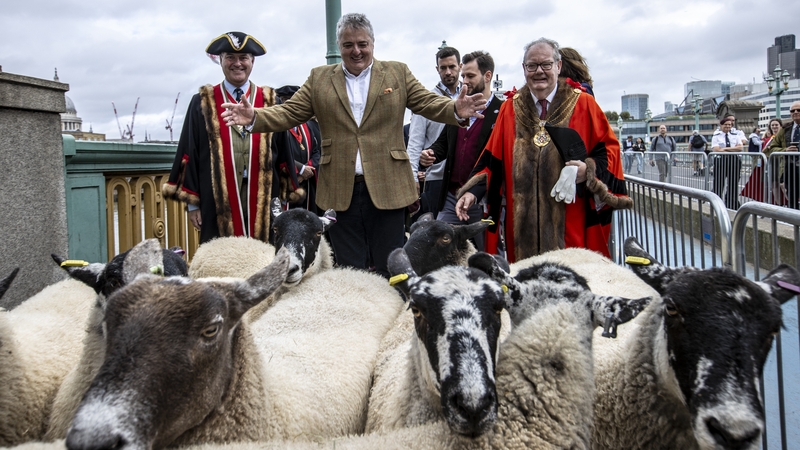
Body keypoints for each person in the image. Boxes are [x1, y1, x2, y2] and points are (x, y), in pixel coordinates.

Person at [220, 13, 486, 277]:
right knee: (349, 271)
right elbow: (289, 112)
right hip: (339, 190)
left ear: (372, 43)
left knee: (392, 268)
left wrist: (455, 109)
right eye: (348, 45)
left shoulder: (397, 72)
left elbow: (427, 102)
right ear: (339, 47)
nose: (356, 51)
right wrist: (254, 117)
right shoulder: (319, 78)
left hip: (389, 188)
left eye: (362, 44)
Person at [455, 37, 631, 262]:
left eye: (546, 64)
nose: (539, 71)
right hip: (521, 230)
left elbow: (610, 151)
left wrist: (587, 170)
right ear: (524, 69)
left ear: (558, 66)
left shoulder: (584, 104)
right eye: (532, 66)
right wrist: (472, 192)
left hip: (570, 226)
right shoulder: (510, 109)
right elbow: (492, 159)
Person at [162, 31, 297, 244]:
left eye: (244, 58)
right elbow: (190, 153)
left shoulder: (271, 101)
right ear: (221, 61)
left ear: (252, 61)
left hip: (263, 196)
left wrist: (286, 200)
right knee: (220, 261)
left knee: (264, 258)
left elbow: (283, 153)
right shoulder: (202, 102)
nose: (237, 63)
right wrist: (193, 205)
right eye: (230, 58)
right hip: (216, 199)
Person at [419, 51, 504, 252]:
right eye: (463, 75)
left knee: (489, 254)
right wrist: (430, 154)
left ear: (488, 76)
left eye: (470, 76)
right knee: (439, 246)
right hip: (452, 196)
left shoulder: (502, 112)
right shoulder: (457, 108)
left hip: (483, 198)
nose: (464, 81)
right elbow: (444, 144)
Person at [407, 46, 462, 222]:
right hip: (436, 178)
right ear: (437, 69)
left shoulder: (470, 97)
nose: (448, 72)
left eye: (452, 67)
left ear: (460, 67)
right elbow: (414, 142)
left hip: (464, 176)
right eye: (443, 68)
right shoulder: (426, 102)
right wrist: (412, 176)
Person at [275, 85, 322, 213]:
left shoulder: (307, 125)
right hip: (286, 185)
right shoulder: (276, 127)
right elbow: (276, 153)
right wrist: (299, 170)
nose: (289, 104)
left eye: (293, 99)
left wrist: (308, 169)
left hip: (307, 183)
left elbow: (317, 151)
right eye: (285, 100)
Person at [766, 102, 800, 209]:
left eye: (799, 110)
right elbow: (772, 148)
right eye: (792, 111)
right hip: (790, 167)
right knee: (792, 195)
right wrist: (785, 150)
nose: (795, 112)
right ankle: (793, 222)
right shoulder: (785, 129)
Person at [711, 116, 743, 209]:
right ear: (721, 125)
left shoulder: (735, 135)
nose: (728, 127)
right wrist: (732, 150)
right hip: (721, 160)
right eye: (726, 125)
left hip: (734, 160)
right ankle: (716, 203)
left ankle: (731, 204)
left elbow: (740, 148)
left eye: (730, 125)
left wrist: (724, 148)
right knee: (719, 182)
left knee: (733, 183)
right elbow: (716, 149)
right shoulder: (716, 136)